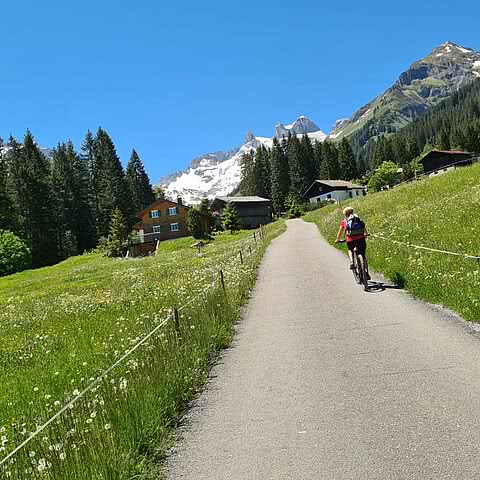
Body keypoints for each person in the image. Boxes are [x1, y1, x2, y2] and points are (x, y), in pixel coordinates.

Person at [335, 206, 370, 280]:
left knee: (350, 249)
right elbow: (363, 227)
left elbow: (341, 231)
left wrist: (337, 239)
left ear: (345, 214)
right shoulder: (358, 219)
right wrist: (366, 233)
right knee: (363, 255)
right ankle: (366, 272)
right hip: (361, 238)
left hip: (350, 240)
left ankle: (351, 261)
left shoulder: (345, 221)